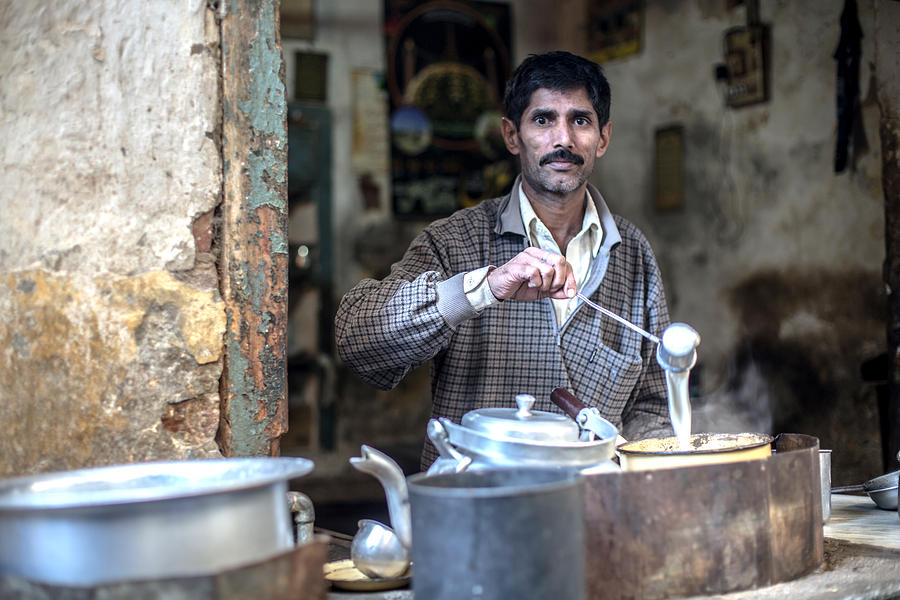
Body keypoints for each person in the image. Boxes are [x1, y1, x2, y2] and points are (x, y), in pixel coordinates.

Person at [335, 51, 673, 469]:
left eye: (580, 121)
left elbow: (655, 404)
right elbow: (357, 342)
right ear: (512, 136)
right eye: (543, 120)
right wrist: (485, 288)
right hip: (474, 513)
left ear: (602, 138)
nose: (563, 139)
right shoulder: (454, 241)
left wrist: (636, 465)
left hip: (594, 517)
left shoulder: (632, 253)